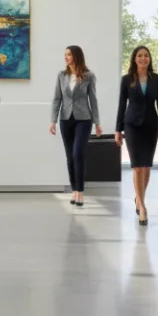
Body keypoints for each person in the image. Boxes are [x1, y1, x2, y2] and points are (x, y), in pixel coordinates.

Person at [115, 45, 158, 226]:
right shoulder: (127, 80)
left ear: (149, 59)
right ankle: (143, 207)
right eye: (140, 56)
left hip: (151, 126)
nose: (143, 58)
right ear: (134, 59)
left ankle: (138, 199)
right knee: (138, 167)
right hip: (132, 126)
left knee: (147, 168)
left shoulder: (157, 79)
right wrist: (118, 130)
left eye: (146, 56)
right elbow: (122, 105)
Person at [50, 45, 101, 207]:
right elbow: (57, 99)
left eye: (69, 55)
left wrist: (97, 123)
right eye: (65, 54)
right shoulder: (61, 75)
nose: (66, 57)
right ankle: (74, 190)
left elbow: (93, 100)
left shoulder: (88, 76)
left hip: (83, 119)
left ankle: (80, 191)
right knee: (70, 157)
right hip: (65, 119)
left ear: (76, 56)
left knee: (78, 153)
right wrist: (53, 120)